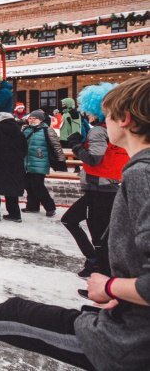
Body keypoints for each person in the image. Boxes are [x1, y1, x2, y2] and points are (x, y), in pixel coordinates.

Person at [0, 75, 150, 371]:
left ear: (127, 119)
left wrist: (111, 286)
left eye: (108, 115)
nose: (102, 122)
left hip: (127, 344)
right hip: (128, 323)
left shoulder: (141, 173)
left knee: (16, 315)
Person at [62, 83, 129, 278]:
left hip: (98, 187)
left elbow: (93, 158)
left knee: (89, 229)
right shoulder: (117, 131)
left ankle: (99, 267)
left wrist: (76, 146)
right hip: (112, 183)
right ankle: (97, 264)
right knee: (98, 230)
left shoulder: (99, 131)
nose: (86, 114)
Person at [22, 110, 66, 217]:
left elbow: (56, 146)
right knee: (28, 185)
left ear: (40, 120)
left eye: (34, 118)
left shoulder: (48, 130)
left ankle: (50, 207)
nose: (31, 120)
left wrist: (61, 160)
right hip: (26, 162)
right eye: (30, 118)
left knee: (38, 186)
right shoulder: (26, 130)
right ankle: (32, 206)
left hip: (40, 162)